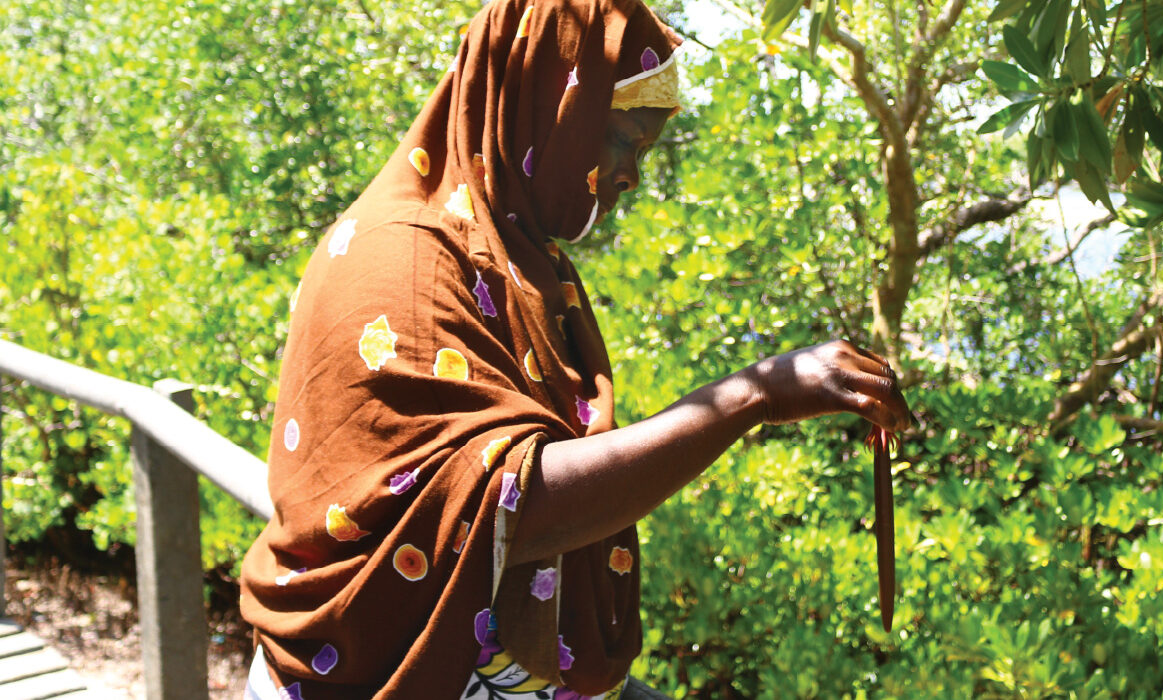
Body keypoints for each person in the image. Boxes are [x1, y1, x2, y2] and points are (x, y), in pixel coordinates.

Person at [238, 0, 912, 698]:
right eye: (621, 139)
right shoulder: (403, 258)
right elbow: (501, 506)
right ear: (544, 106)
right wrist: (754, 397)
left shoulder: (514, 252)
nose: (631, 177)